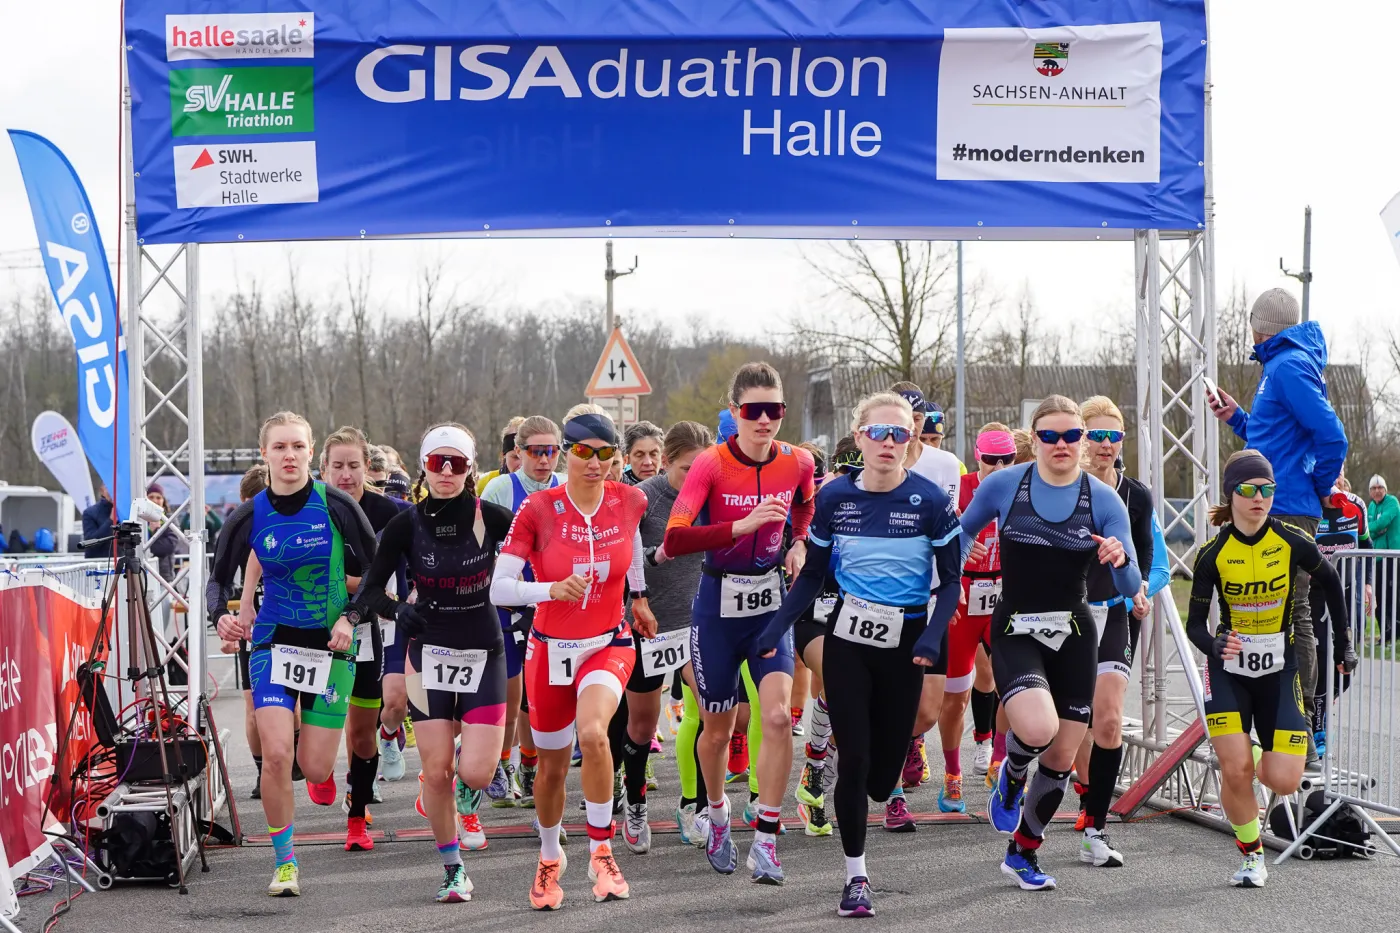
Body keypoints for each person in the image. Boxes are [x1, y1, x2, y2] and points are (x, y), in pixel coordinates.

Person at [757, 391, 962, 918]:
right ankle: (855, 878)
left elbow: (951, 580)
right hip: (848, 640)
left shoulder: (932, 500)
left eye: (901, 433)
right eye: (879, 433)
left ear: (911, 438)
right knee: (854, 764)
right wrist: (777, 628)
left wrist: (931, 636)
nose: (890, 442)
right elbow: (814, 578)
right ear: (859, 437)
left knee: (880, 777)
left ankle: (860, 777)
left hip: (906, 646)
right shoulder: (833, 499)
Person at [959, 395, 1141, 891]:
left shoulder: (1102, 499)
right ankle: (1014, 769)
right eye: (1049, 436)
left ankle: (1023, 852)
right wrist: (956, 561)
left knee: (1062, 754)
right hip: (1016, 624)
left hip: (1076, 631)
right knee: (1037, 729)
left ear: (1083, 442)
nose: (1061, 445)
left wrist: (1120, 560)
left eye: (1071, 436)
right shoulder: (1005, 484)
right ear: (1034, 440)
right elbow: (958, 536)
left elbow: (1131, 588)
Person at [490, 412, 656, 909]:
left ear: (617, 458)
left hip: (608, 641)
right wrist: (549, 589)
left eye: (607, 453)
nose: (596, 462)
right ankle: (548, 856)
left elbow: (634, 546)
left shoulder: (631, 498)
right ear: (566, 451)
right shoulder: (539, 508)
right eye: (584, 451)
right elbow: (499, 588)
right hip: (549, 648)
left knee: (594, 733)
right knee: (551, 768)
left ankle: (601, 851)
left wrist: (640, 597)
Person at [210, 412, 378, 897]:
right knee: (278, 755)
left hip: (331, 644)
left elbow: (375, 569)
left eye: (298, 447)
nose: (289, 456)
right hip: (271, 642)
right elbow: (218, 579)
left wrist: (350, 617)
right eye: (279, 447)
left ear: (310, 453)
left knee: (318, 767)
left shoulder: (339, 505)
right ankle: (285, 863)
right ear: (264, 454)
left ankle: (322, 773)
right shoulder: (247, 515)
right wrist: (222, 614)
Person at [662, 362, 817, 884]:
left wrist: (797, 543)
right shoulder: (710, 465)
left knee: (776, 718)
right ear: (735, 413)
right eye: (755, 411)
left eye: (776, 410)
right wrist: (739, 526)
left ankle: (768, 840)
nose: (766, 420)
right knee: (717, 728)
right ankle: (718, 811)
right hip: (716, 608)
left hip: (770, 605)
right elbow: (676, 538)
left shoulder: (798, 462)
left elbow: (806, 511)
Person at [350, 423, 513, 902]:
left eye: (457, 463)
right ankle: (453, 869)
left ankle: (450, 786)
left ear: (470, 468)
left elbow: (536, 553)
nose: (446, 471)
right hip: (430, 652)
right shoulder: (406, 524)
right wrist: (397, 609)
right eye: (437, 462)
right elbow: (372, 589)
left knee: (478, 773)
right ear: (423, 466)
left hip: (484, 649)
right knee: (440, 769)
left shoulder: (494, 517)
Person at [1187, 449, 1357, 888]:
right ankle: (1250, 855)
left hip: (1279, 670)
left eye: (1267, 489)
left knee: (1284, 780)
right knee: (1236, 770)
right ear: (1232, 494)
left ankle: (1249, 753)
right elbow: (1194, 626)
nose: (1259, 497)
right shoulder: (1212, 553)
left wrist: (1346, 644)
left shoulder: (1291, 540)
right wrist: (1214, 642)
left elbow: (1333, 585)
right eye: (1249, 489)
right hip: (1228, 670)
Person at [1208, 288, 1349, 763]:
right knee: (1262, 606)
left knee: (1295, 612)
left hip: (1286, 507)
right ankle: (1272, 716)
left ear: (1260, 325)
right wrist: (1236, 418)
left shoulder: (1286, 366)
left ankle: (1301, 728)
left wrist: (1321, 484)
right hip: (1272, 498)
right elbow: (1271, 438)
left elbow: (1332, 436)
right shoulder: (1279, 366)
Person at [1069, 397, 1157, 867]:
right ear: (1081, 438)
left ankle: (1096, 832)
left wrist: (1140, 588)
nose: (1105, 445)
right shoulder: (1064, 489)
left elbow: (1144, 556)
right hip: (1071, 615)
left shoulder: (1136, 495)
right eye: (1095, 436)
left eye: (1113, 437)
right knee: (1068, 726)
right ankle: (1022, 775)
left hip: (1117, 613)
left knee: (1106, 720)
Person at [621, 421, 713, 853]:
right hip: (649, 625)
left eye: (702, 468)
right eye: (686, 469)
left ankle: (694, 805)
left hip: (698, 622)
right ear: (667, 462)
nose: (695, 477)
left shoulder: (713, 494)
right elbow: (624, 560)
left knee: (713, 712)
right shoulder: (645, 498)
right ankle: (635, 799)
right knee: (641, 725)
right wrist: (657, 558)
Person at [317, 426, 409, 850]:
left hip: (365, 626)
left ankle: (357, 818)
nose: (346, 475)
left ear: (367, 468)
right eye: (337, 466)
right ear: (324, 469)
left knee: (360, 732)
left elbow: (386, 578)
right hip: (311, 627)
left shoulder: (386, 511)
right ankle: (317, 769)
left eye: (354, 466)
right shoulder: (308, 506)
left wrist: (356, 588)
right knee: (315, 726)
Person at [481, 415, 567, 807]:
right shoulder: (500, 488)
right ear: (518, 452)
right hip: (507, 603)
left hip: (551, 602)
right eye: (536, 451)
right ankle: (501, 762)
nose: (545, 460)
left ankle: (532, 766)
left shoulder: (566, 487)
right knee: (511, 694)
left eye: (552, 451)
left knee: (540, 699)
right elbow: (482, 550)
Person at [886, 384, 959, 821]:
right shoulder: (873, 462)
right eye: (902, 417)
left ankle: (894, 742)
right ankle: (892, 794)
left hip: (932, 596)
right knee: (893, 700)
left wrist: (954, 576)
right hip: (886, 599)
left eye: (916, 418)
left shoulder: (944, 464)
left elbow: (950, 528)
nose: (910, 426)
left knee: (928, 711)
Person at [935, 424, 1016, 816]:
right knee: (955, 698)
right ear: (976, 455)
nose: (999, 467)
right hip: (965, 596)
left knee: (1010, 685)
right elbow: (935, 537)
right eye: (990, 460)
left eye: (1007, 460)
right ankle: (952, 774)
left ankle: (998, 758)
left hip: (1003, 596)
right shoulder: (959, 487)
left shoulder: (1024, 485)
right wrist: (959, 551)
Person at [1368, 475, 1399, 643]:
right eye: (1374, 488)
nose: (1377, 491)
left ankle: (1395, 632)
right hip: (1377, 559)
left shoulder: (1392, 502)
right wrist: (1375, 529)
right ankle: (1385, 633)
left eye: (1380, 488)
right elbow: (1368, 530)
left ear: (1385, 489)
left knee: (1393, 596)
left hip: (1393, 557)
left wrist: (1376, 529)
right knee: (1379, 598)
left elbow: (1383, 523)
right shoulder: (1371, 507)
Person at [476, 416, 526, 496]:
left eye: (527, 457)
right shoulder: (484, 483)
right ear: (503, 456)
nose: (522, 464)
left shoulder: (546, 483)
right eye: (516, 457)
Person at [622, 421, 665, 486]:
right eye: (639, 455)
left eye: (653, 454)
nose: (648, 462)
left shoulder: (676, 485)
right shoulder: (618, 490)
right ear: (627, 459)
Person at [81, 482, 115, 559]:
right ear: (102, 490)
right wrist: (111, 521)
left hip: (120, 564)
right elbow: (90, 542)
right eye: (109, 488)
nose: (113, 492)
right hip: (97, 566)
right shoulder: (90, 512)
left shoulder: (125, 511)